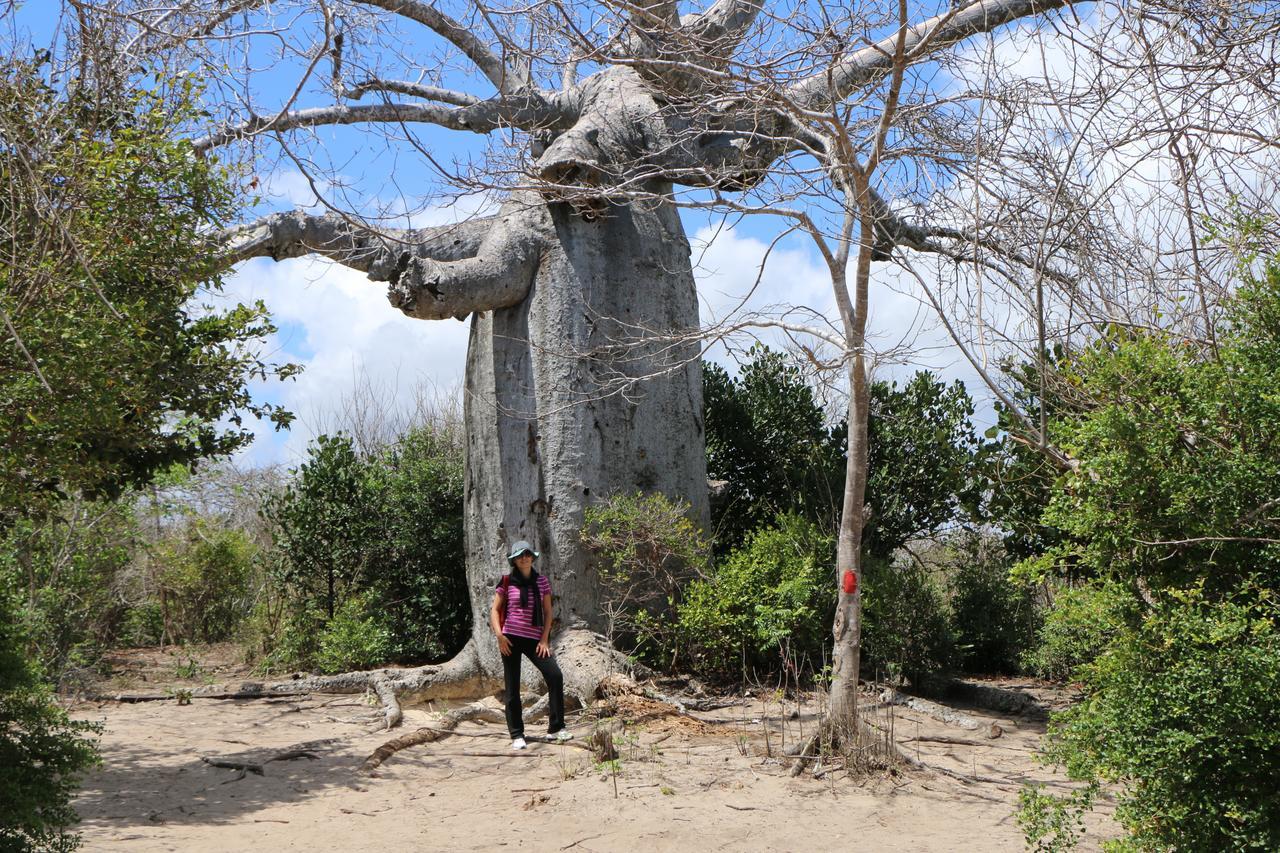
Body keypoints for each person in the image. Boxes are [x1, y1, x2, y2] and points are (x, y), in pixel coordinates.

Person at [490, 540, 572, 750]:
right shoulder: (507, 582)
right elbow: (494, 610)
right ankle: (517, 734)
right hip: (510, 638)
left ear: (532, 557)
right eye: (519, 555)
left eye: (527, 554)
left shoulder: (541, 582)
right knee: (513, 686)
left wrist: (545, 639)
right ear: (514, 560)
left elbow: (548, 612)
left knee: (554, 675)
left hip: (535, 639)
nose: (524, 558)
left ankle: (556, 728)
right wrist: (499, 636)